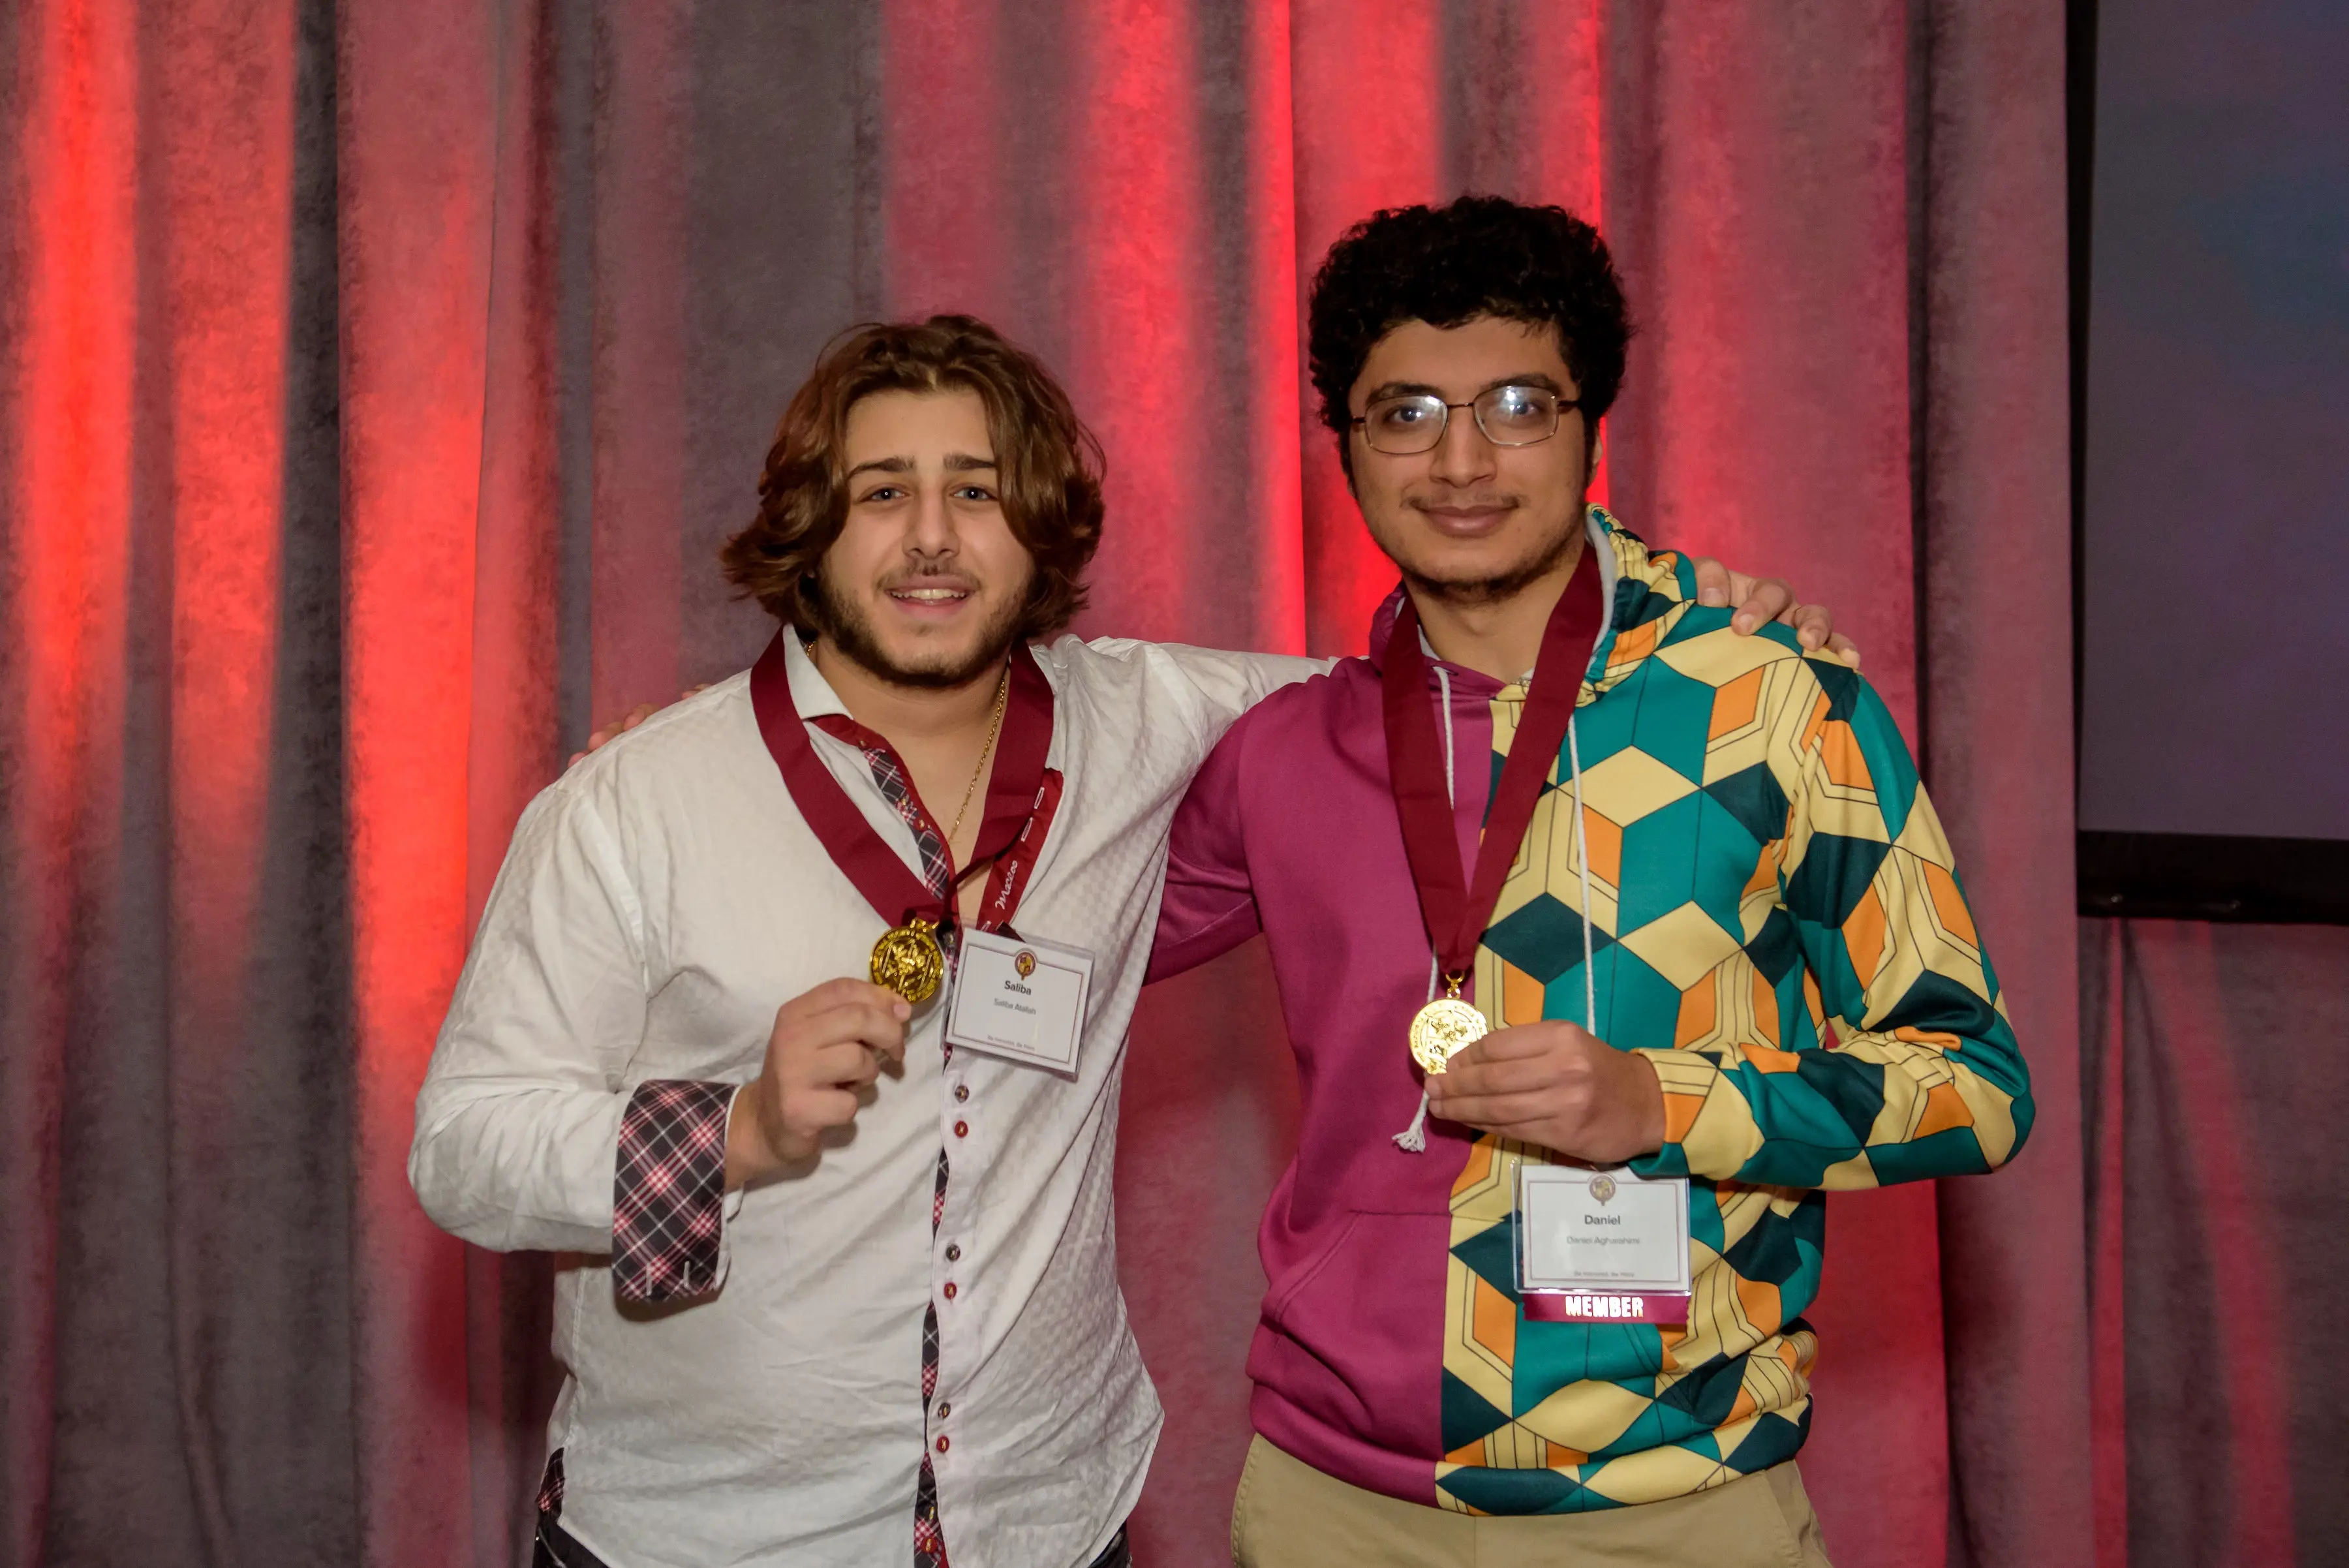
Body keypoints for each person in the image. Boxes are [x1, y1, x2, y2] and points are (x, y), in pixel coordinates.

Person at [416, 318, 1843, 1563]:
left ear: (1039, 522)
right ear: (810, 526)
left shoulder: (1153, 721)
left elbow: (1453, 691)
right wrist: (735, 1130)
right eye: (882, 492)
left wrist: (1683, 620)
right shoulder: (637, 804)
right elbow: (465, 1147)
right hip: (711, 1529)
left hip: (1045, 1516)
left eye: (978, 490)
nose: (931, 537)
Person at [1150, 196, 2033, 1564]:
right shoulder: (1281, 752)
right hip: (1336, 1506)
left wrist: (1659, 1102)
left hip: (1679, 1504)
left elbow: (1975, 1086)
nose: (1461, 460)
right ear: (1347, 447)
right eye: (1405, 412)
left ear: (1591, 428)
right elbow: (1036, 942)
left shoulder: (1773, 704)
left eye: (1517, 405)